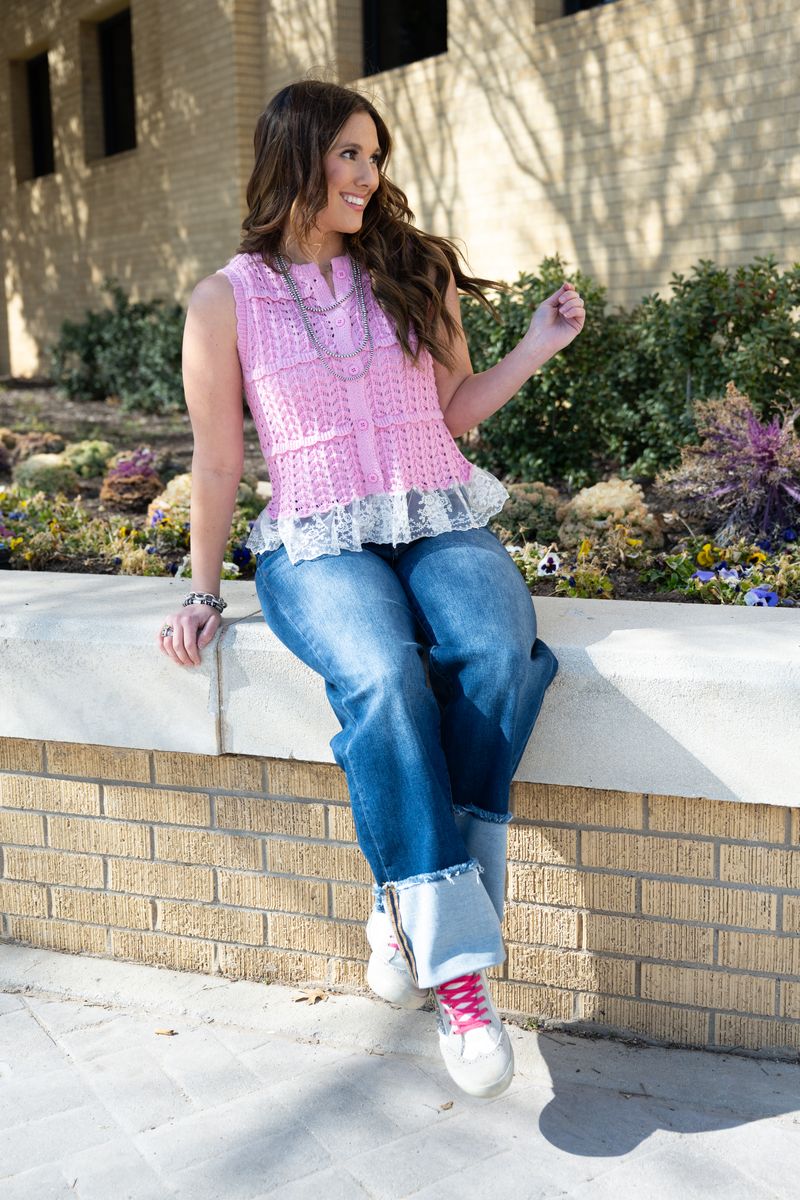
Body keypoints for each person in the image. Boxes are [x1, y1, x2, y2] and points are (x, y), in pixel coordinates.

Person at [156, 79, 585, 1099]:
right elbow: (217, 462)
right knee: (385, 679)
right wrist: (201, 589)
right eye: (347, 154)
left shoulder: (411, 268)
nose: (366, 175)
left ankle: (407, 903)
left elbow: (454, 411)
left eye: (373, 157)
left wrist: (533, 346)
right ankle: (460, 977)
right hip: (315, 541)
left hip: (435, 514)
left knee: (494, 653)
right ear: (293, 158)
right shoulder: (225, 300)